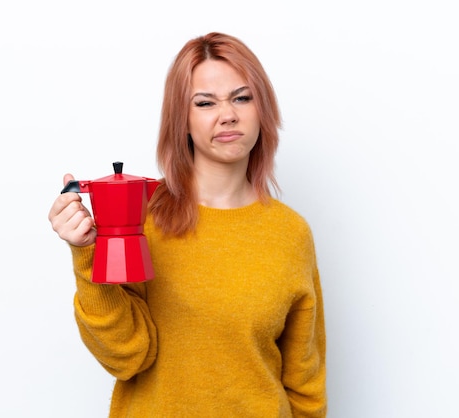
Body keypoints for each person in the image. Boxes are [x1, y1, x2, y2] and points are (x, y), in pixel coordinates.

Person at [48, 32, 327, 417]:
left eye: (241, 97)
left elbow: (305, 383)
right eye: (205, 102)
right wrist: (86, 255)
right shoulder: (140, 215)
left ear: (262, 108)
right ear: (183, 119)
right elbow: (127, 357)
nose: (227, 114)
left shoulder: (290, 233)